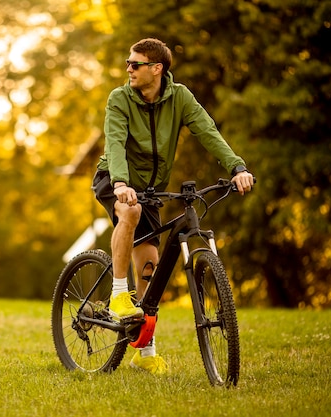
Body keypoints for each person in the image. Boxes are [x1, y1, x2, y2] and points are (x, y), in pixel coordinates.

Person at [92, 38, 254, 375]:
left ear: (157, 69)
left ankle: (145, 351)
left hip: (152, 189)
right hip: (115, 179)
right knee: (131, 213)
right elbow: (116, 142)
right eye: (128, 63)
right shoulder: (120, 98)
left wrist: (237, 167)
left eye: (135, 64)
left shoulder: (179, 97)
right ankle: (119, 294)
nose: (129, 69)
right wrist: (121, 183)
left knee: (151, 271)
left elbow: (207, 131)